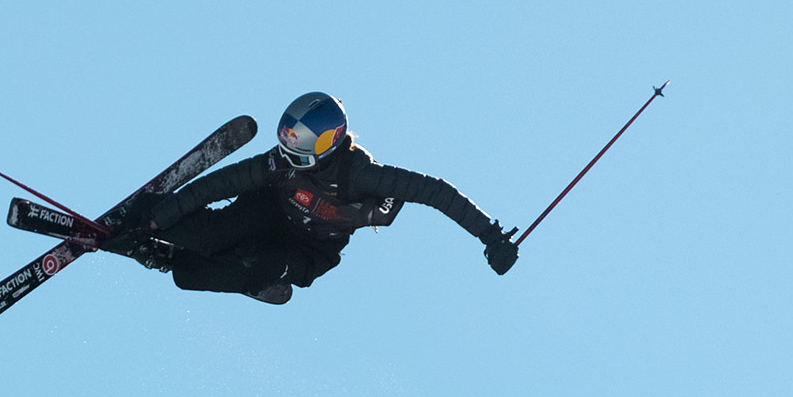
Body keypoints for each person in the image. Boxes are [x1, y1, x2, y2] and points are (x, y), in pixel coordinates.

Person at [111, 92, 519, 305]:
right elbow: (218, 184)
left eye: (301, 142)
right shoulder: (278, 164)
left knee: (252, 269)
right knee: (213, 234)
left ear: (329, 143)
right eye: (287, 137)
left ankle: (170, 259)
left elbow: (436, 192)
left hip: (312, 249)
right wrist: (153, 219)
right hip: (270, 213)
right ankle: (151, 228)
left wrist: (491, 237)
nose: (290, 149)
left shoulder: (362, 176)